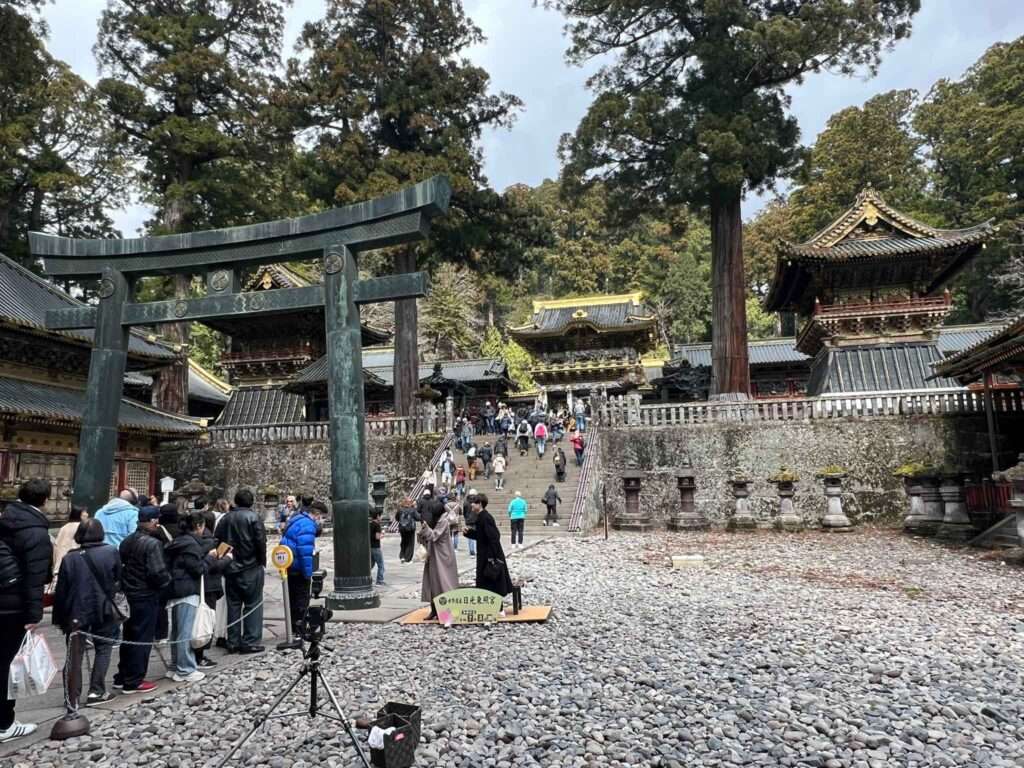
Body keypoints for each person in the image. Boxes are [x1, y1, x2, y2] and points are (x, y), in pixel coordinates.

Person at [0, 478, 53, 741]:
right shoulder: (36, 531)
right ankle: (4, 723)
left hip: (4, 596)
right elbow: (34, 576)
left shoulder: (7, 517)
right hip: (14, 604)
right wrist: (35, 613)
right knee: (7, 664)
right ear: (45, 500)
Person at [53, 518, 121, 705]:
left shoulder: (70, 558)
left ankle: (72, 696)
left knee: (74, 653)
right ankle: (97, 690)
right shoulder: (110, 552)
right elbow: (117, 578)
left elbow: (62, 590)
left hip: (77, 609)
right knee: (103, 648)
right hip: (103, 607)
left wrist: (60, 618)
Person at [115, 505, 170, 695]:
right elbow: (158, 572)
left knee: (129, 635)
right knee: (142, 637)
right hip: (146, 594)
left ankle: (122, 675)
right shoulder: (152, 544)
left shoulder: (127, 541)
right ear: (153, 521)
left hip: (129, 593)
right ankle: (134, 679)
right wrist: (166, 584)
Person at [165, 511, 217, 683]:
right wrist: (210, 558)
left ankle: (175, 665)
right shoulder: (191, 545)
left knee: (177, 630)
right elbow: (198, 569)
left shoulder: (179, 541)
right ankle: (185, 668)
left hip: (176, 587)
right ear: (199, 526)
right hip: (187, 588)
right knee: (185, 631)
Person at [215, 488, 267, 654]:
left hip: (231, 566)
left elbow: (218, 540)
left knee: (233, 605)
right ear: (251, 502)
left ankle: (233, 640)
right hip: (251, 565)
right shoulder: (254, 518)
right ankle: (250, 640)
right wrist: (262, 561)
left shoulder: (226, 519)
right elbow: (260, 542)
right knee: (253, 604)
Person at [194, 503, 231, 669]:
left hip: (196, 584)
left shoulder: (194, 539)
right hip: (209, 584)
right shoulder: (209, 542)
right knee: (206, 619)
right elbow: (213, 566)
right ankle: (200, 655)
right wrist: (227, 558)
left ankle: (192, 654)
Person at [463, 494, 513, 603]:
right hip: (485, 554)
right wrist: (469, 533)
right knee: (486, 581)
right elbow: (482, 536)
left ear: (480, 504)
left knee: (492, 582)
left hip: (489, 555)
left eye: (474, 504)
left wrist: (492, 557)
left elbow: (494, 537)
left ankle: (498, 608)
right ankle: (489, 606)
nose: (471, 506)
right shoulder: (481, 517)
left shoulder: (486, 517)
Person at [417, 495, 459, 622]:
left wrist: (425, 528)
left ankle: (446, 612)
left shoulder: (443, 522)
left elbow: (434, 536)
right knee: (433, 583)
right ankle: (434, 610)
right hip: (434, 555)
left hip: (442, 557)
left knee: (443, 583)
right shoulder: (438, 521)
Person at [281, 498, 320, 630]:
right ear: (317, 514)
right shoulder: (308, 525)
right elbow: (305, 552)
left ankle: (292, 626)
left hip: (289, 563)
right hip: (298, 566)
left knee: (291, 597)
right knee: (301, 598)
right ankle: (300, 627)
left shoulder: (297, 519)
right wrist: (308, 574)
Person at [51, 505, 88, 586]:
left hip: (61, 563)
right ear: (80, 515)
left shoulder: (64, 527)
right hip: (75, 564)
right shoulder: (81, 527)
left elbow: (57, 545)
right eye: (85, 512)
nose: (87, 514)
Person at [396, 498, 419, 564]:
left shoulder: (400, 510)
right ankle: (407, 558)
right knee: (410, 543)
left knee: (403, 542)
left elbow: (397, 518)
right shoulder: (413, 510)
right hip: (410, 529)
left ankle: (402, 556)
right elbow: (418, 518)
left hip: (402, 528)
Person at [369, 510, 385, 586]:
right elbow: (377, 537)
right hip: (376, 547)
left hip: (370, 547)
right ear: (378, 516)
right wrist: (383, 535)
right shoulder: (377, 525)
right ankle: (380, 580)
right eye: (381, 516)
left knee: (371, 564)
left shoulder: (370, 524)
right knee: (381, 564)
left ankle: (367, 578)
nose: (381, 517)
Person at [463, 490, 478, 557]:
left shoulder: (466, 502)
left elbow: (464, 512)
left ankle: (472, 552)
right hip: (476, 520)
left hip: (468, 520)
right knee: (478, 536)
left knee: (470, 536)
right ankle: (477, 550)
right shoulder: (478, 501)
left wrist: (466, 518)